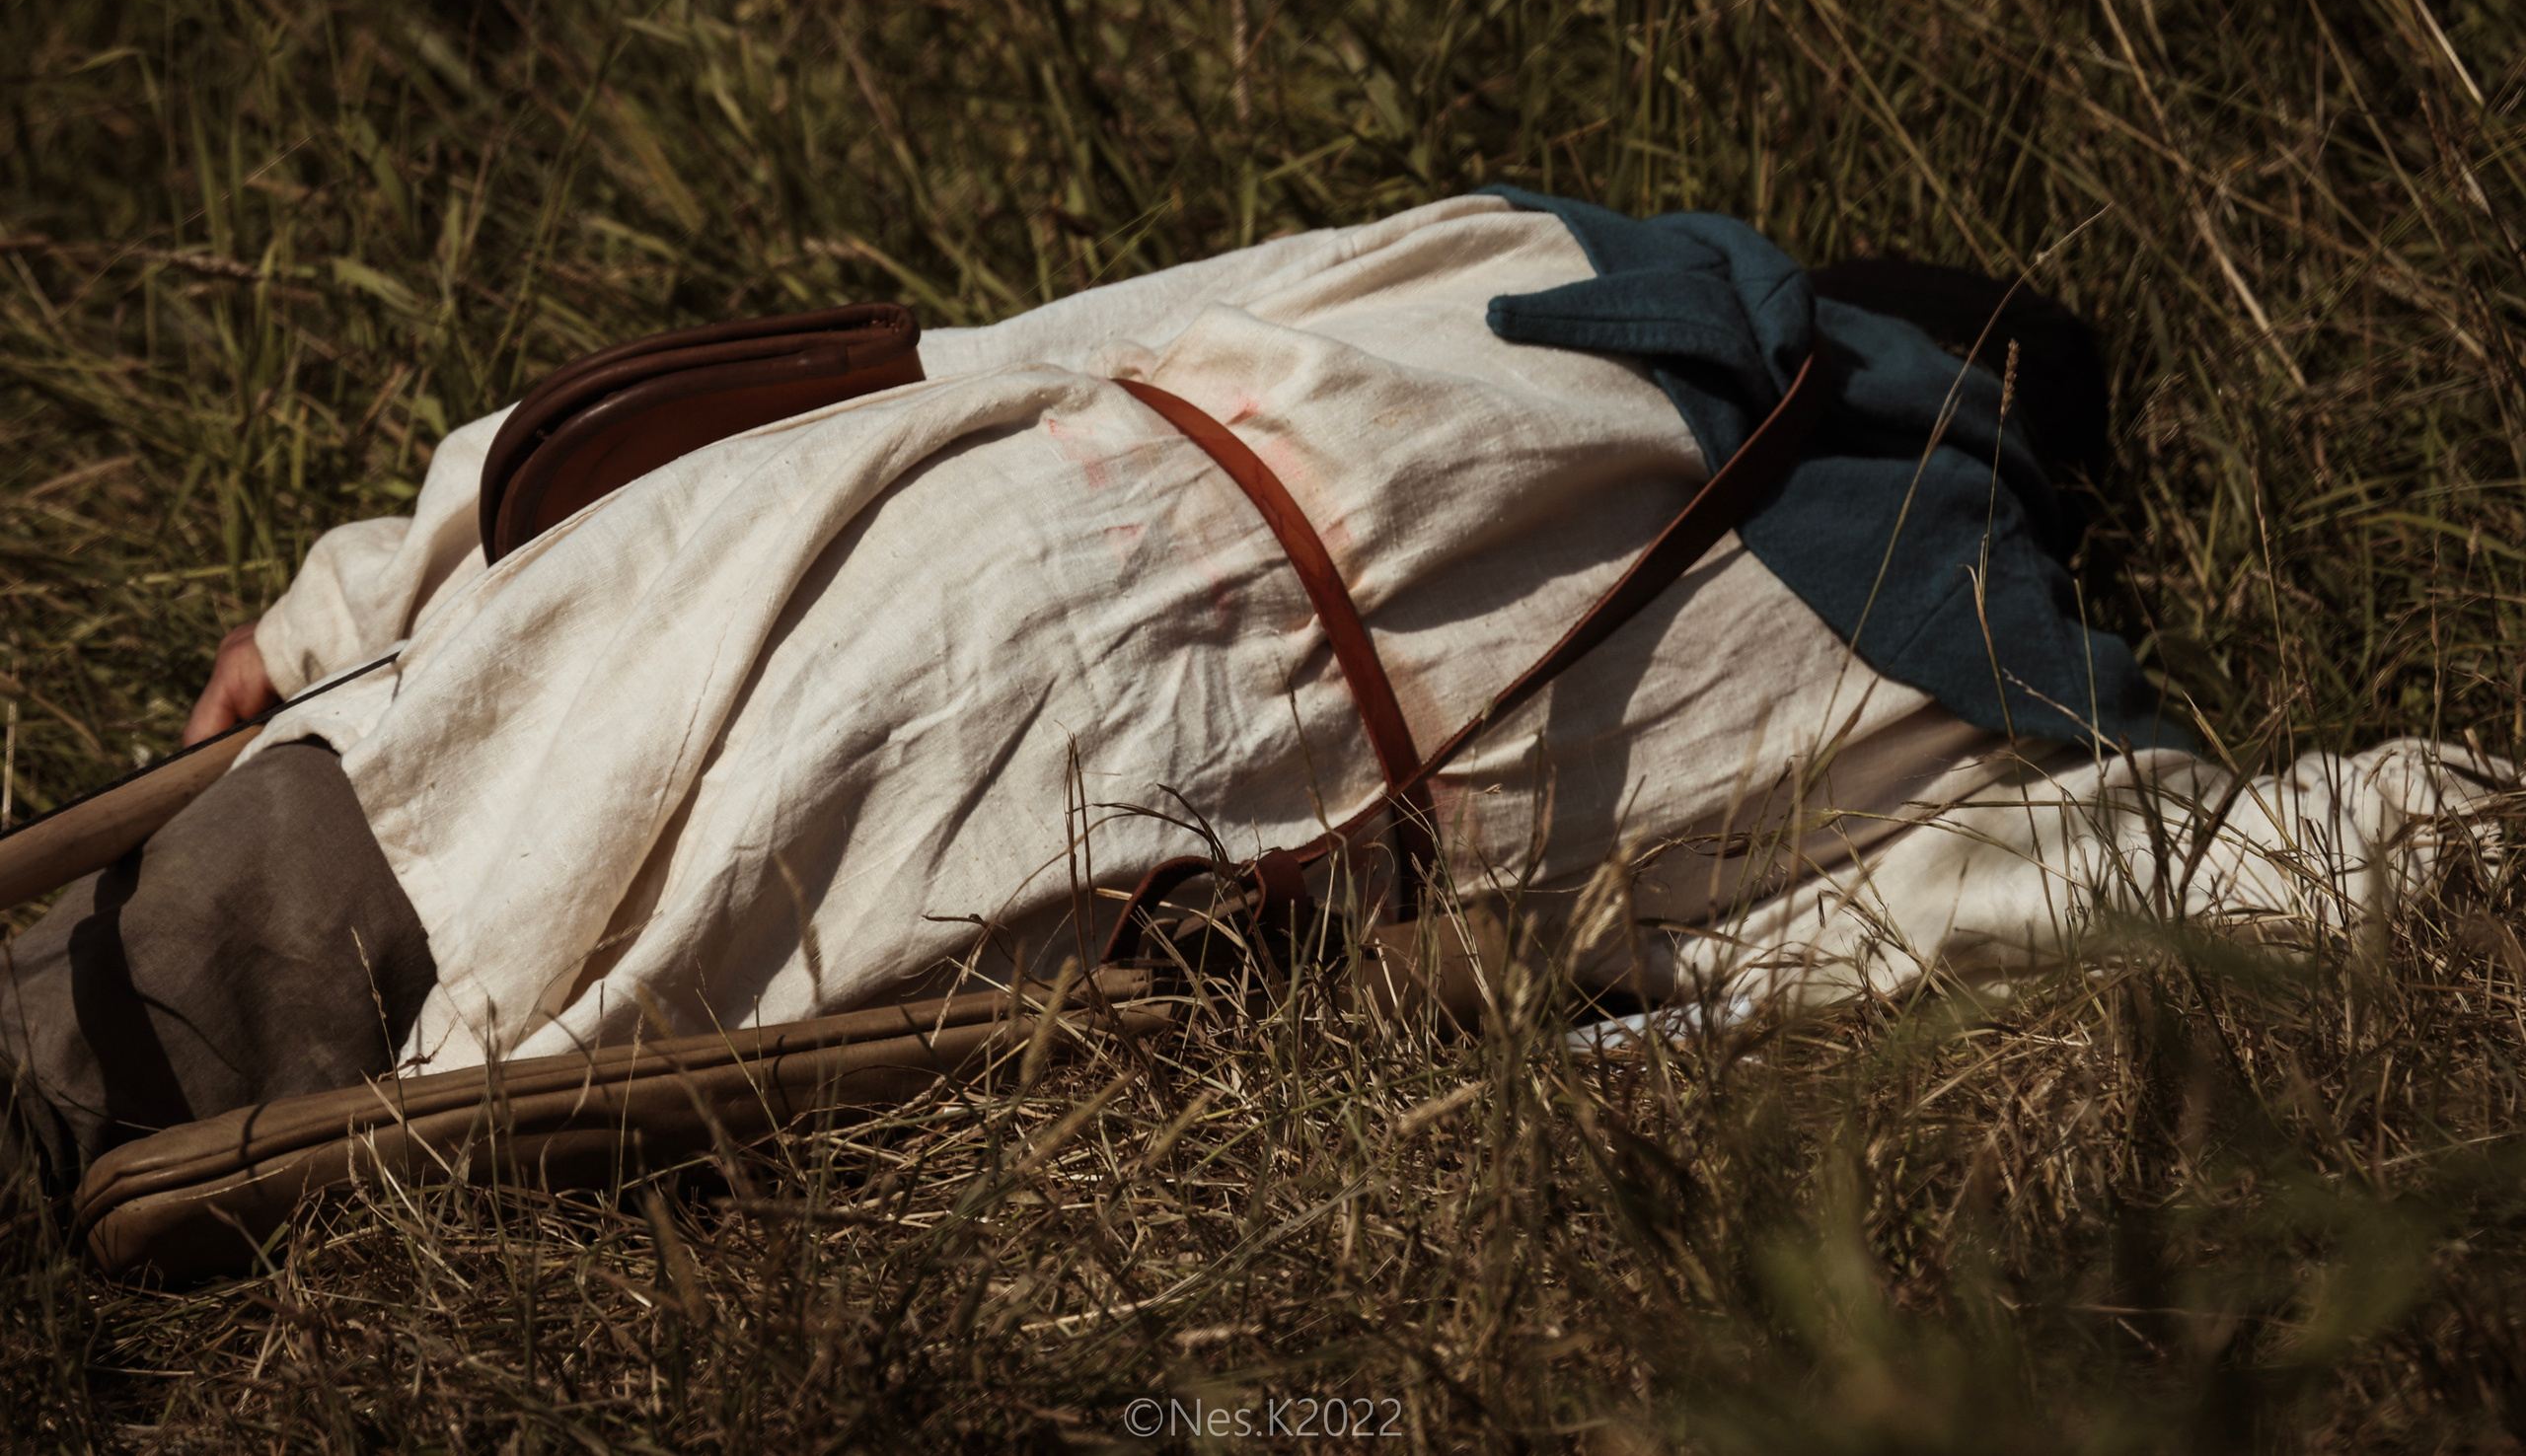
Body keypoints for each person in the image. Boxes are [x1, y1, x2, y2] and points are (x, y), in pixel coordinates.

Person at [0, 190, 2499, 1190]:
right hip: (1099, 779)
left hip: (918, 541)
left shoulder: (1569, 250)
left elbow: (970, 346)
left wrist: (381, 573)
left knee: (405, 816)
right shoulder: (1981, 692)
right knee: (505, 972)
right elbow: (2051, 905)